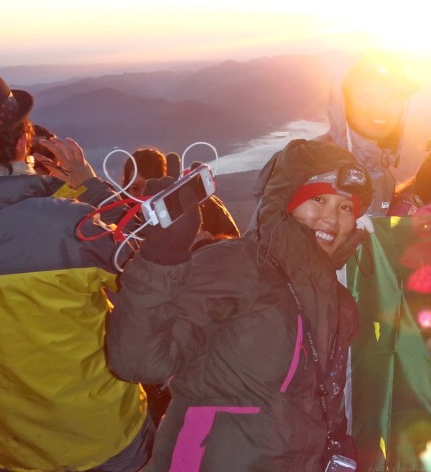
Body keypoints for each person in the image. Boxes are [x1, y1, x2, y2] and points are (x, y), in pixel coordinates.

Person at [0, 64, 152, 471]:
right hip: (102, 440)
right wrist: (88, 186)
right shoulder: (68, 225)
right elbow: (156, 269)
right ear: (22, 140)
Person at [108, 139, 371, 471]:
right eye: (318, 199)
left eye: (346, 207)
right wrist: (164, 255)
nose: (331, 218)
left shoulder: (338, 300)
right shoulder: (238, 265)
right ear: (285, 201)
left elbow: (324, 400)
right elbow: (138, 362)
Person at [320, 54, 419, 217]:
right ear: (345, 100)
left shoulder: (383, 176)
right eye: (369, 95)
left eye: (393, 97)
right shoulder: (309, 163)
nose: (382, 108)